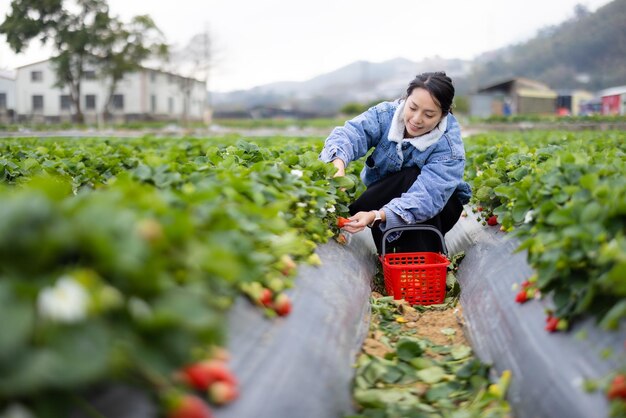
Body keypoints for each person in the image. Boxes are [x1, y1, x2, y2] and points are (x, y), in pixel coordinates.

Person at [319, 71, 472, 254]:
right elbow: (350, 134)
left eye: (429, 115)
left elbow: (428, 197)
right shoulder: (385, 115)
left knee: (411, 176)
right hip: (386, 198)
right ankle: (395, 256)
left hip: (439, 208)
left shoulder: (449, 146)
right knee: (365, 205)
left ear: (443, 115)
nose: (416, 119)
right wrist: (337, 162)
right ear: (405, 99)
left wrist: (377, 215)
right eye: (413, 107)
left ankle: (424, 262)